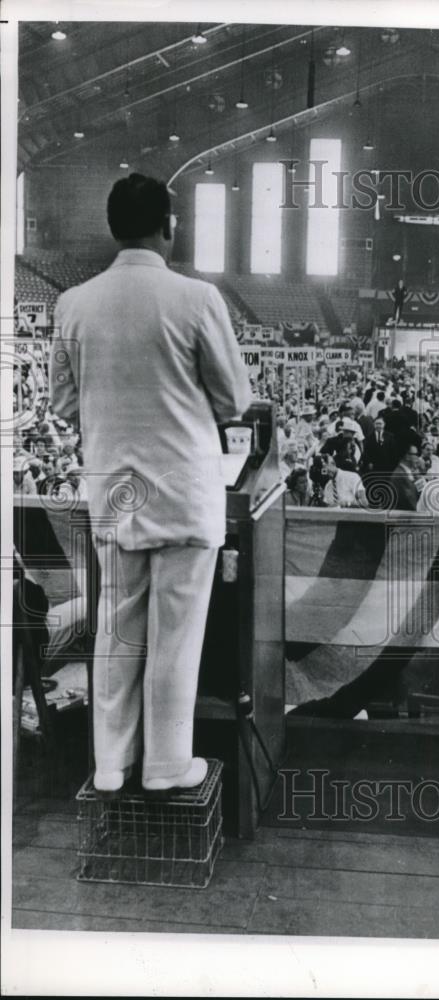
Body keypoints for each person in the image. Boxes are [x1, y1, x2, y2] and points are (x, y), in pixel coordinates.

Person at [50, 173, 252, 796]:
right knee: (176, 638)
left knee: (116, 628)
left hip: (113, 492)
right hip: (185, 493)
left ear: (113, 227)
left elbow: (62, 403)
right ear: (169, 226)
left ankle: (111, 764)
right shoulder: (197, 298)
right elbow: (235, 400)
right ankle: (167, 764)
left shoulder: (73, 303)